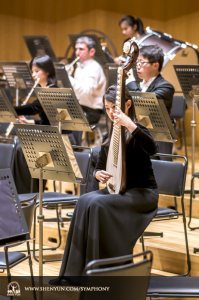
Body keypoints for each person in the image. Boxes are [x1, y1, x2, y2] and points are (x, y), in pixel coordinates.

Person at [49, 85, 159, 286]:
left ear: (127, 105)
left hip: (143, 193)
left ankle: (103, 274)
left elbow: (153, 149)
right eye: (107, 108)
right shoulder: (112, 132)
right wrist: (98, 174)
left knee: (97, 205)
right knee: (83, 200)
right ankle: (74, 274)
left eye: (114, 107)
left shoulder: (137, 128)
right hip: (119, 190)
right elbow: (99, 165)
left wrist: (129, 125)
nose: (109, 112)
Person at [13, 55, 75, 193]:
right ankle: (24, 193)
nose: (34, 75)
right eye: (33, 71)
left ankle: (30, 194)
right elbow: (48, 120)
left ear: (47, 71)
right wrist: (31, 122)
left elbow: (33, 108)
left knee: (21, 149)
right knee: (17, 147)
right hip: (49, 137)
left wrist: (9, 109)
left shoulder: (52, 90)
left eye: (37, 71)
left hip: (59, 141)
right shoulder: (45, 90)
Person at [127, 45, 175, 159]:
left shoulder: (166, 87)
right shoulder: (138, 85)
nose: (137, 67)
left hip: (155, 141)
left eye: (142, 62)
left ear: (155, 65)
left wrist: (130, 83)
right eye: (137, 62)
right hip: (136, 136)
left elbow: (143, 102)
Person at [68, 36, 106, 125]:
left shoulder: (94, 68)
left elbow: (87, 91)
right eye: (76, 49)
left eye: (81, 49)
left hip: (91, 111)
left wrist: (68, 79)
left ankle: (75, 139)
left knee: (67, 121)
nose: (77, 52)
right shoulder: (79, 66)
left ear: (91, 52)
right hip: (80, 107)